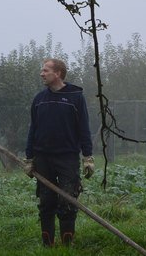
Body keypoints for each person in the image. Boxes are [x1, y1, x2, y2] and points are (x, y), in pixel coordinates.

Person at [23, 58, 94, 247]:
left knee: (67, 200)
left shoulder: (75, 97)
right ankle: (48, 245)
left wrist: (88, 157)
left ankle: (66, 246)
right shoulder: (39, 100)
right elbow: (33, 130)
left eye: (46, 70)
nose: (42, 73)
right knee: (46, 201)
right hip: (43, 157)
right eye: (42, 70)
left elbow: (84, 128)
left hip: (67, 158)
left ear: (58, 73)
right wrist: (29, 158)